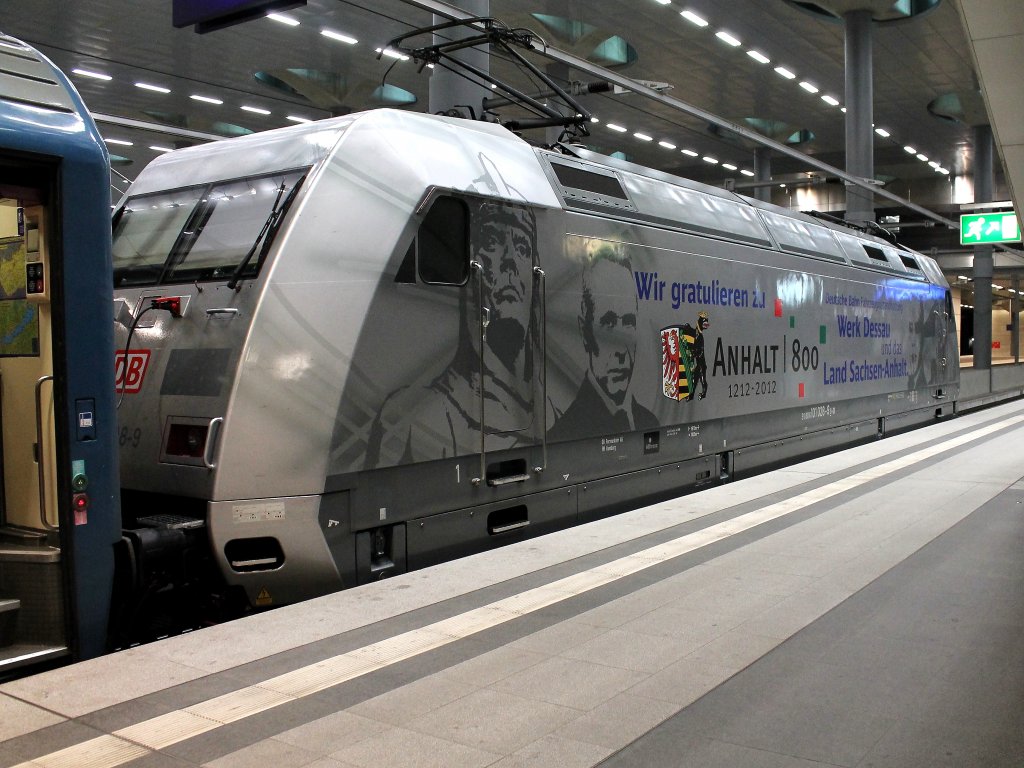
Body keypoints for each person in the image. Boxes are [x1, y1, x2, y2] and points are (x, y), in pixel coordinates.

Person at [362, 199, 538, 468]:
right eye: (492, 243)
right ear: (470, 264)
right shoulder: (408, 418)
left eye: (522, 247)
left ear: (537, 274)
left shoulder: (556, 410)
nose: (509, 261)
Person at [548, 248, 657, 441]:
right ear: (585, 331)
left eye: (629, 322)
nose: (621, 350)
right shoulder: (565, 434)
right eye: (608, 323)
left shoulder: (650, 422)